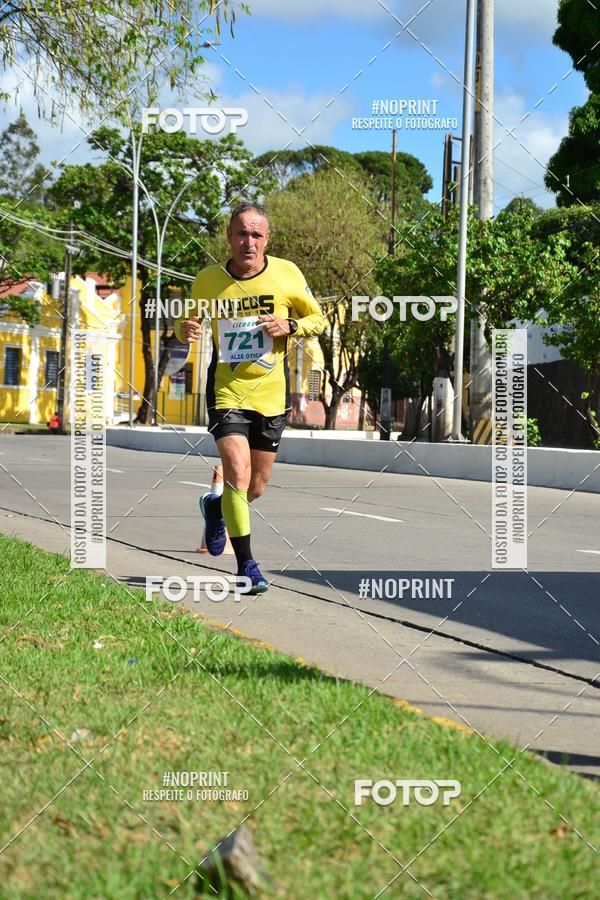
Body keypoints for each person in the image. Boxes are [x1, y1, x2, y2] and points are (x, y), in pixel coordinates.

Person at [175, 202, 324, 594]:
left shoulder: (287, 274)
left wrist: (289, 324)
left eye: (257, 234)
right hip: (226, 389)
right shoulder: (208, 280)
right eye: (242, 233)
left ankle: (215, 508)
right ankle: (247, 567)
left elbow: (318, 319)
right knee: (237, 474)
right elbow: (187, 323)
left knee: (255, 487)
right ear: (229, 236)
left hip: (271, 395)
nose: (249, 242)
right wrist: (183, 329)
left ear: (267, 239)